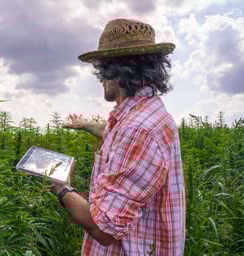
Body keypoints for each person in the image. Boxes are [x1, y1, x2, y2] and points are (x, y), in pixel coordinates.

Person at [51, 18, 186, 255]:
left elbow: (103, 228)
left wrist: (63, 188)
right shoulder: (145, 112)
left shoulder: (138, 130)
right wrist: (87, 125)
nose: (100, 79)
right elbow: (117, 135)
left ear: (118, 70)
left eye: (103, 70)